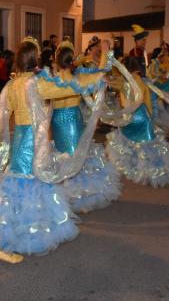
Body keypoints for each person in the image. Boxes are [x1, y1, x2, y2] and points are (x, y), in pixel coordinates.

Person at [0, 37, 105, 264]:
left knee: (19, 186)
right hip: (31, 141)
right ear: (34, 60)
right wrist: (97, 77)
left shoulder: (13, 84)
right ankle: (5, 243)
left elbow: (0, 116)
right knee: (30, 183)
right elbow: (64, 88)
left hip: (20, 137)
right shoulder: (35, 83)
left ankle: (22, 234)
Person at [51, 40, 121, 213]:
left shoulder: (52, 79)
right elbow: (102, 71)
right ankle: (76, 194)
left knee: (64, 155)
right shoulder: (79, 76)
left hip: (57, 121)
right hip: (72, 119)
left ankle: (67, 194)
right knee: (75, 155)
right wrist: (107, 52)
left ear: (57, 60)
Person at [106, 56, 169, 188]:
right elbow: (148, 102)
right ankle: (153, 172)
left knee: (127, 143)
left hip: (129, 117)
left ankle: (130, 167)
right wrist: (149, 117)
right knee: (147, 146)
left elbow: (110, 81)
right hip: (142, 116)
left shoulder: (122, 81)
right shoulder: (142, 81)